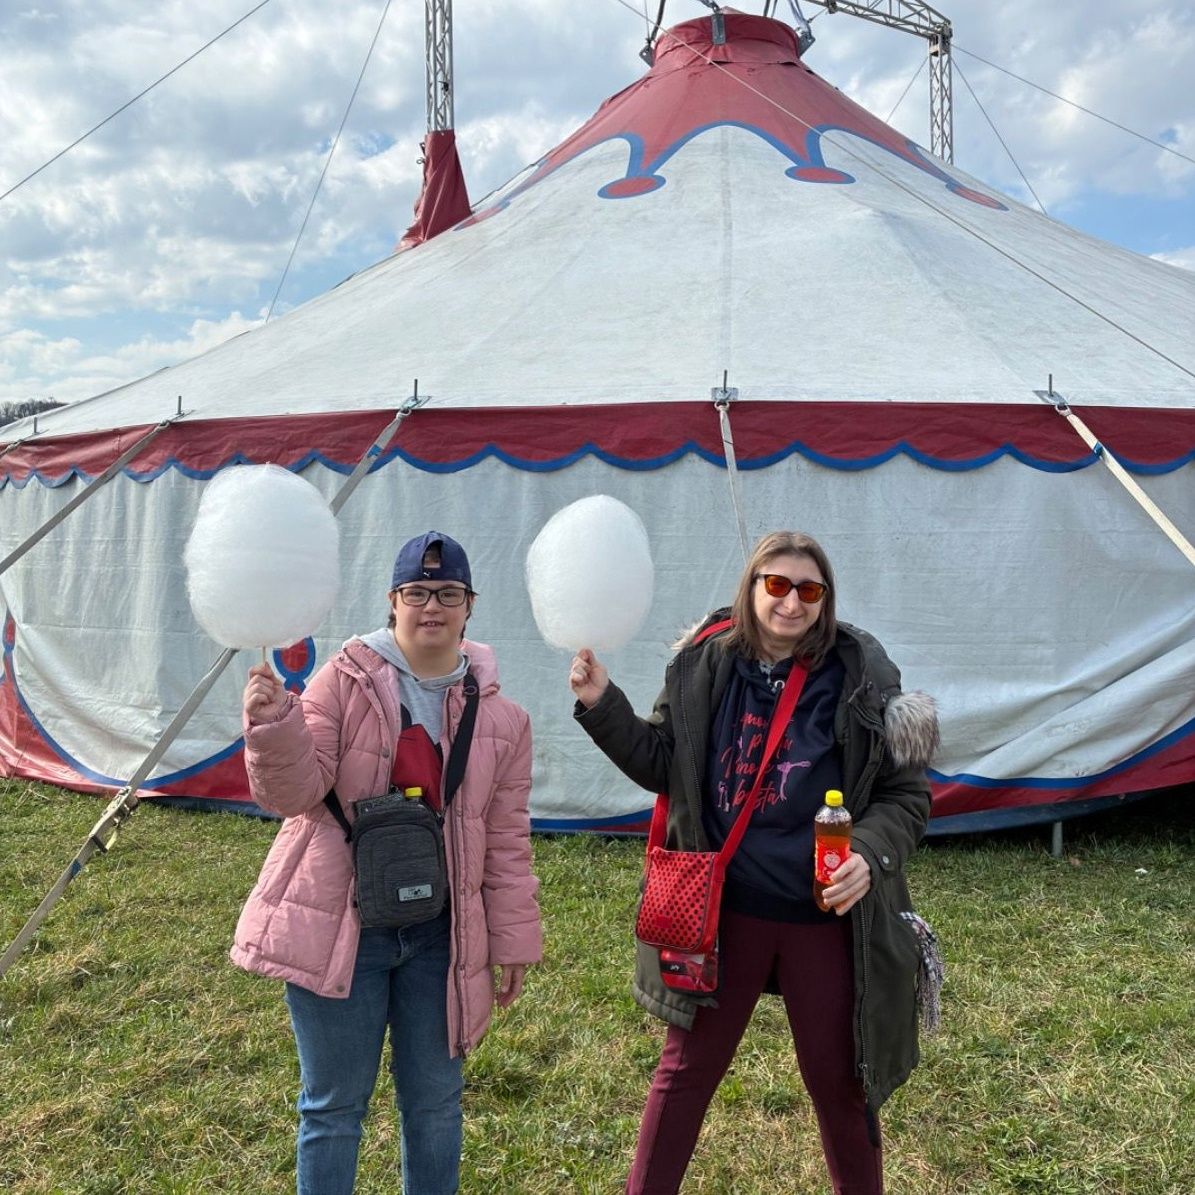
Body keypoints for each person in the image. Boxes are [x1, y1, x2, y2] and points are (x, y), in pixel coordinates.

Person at [569, 530, 937, 1195]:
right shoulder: (702, 664)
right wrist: (603, 703)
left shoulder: (860, 675)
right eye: (777, 585)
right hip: (724, 911)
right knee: (684, 1073)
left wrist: (866, 853)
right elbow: (662, 763)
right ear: (752, 587)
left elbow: (905, 795)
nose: (791, 602)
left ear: (824, 599)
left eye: (808, 590)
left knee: (841, 1083)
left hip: (821, 915)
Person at [231, 530, 542, 1195]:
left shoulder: (505, 720)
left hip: (440, 934)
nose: (432, 606)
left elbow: (506, 840)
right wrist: (275, 728)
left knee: (435, 1104)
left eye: (448, 593)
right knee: (333, 1108)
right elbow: (295, 795)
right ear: (392, 600)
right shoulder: (340, 682)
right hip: (344, 925)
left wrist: (513, 939)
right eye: (417, 592)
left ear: (470, 605)